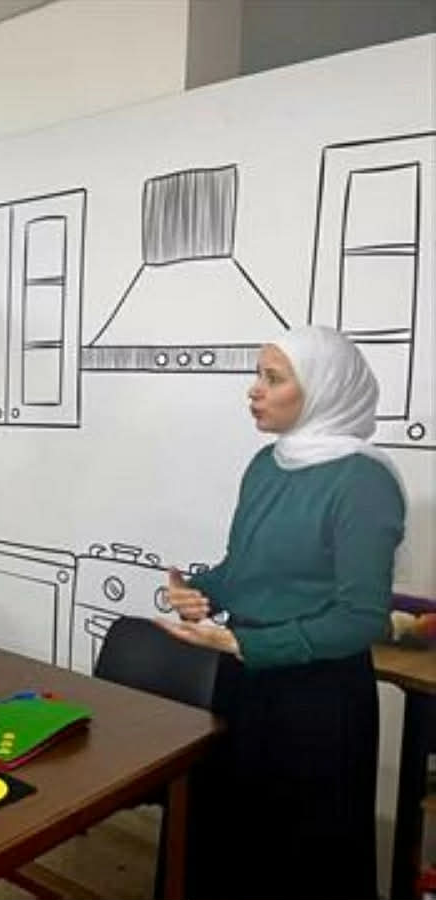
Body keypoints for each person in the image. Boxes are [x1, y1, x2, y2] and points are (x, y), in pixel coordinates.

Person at [157, 325, 405, 900]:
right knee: (226, 836)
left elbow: (361, 618)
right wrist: (199, 593)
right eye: (257, 376)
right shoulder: (266, 465)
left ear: (323, 388)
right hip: (243, 682)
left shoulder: (363, 481)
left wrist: (246, 644)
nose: (254, 390)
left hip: (316, 699)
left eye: (273, 378)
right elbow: (243, 570)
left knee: (298, 856)